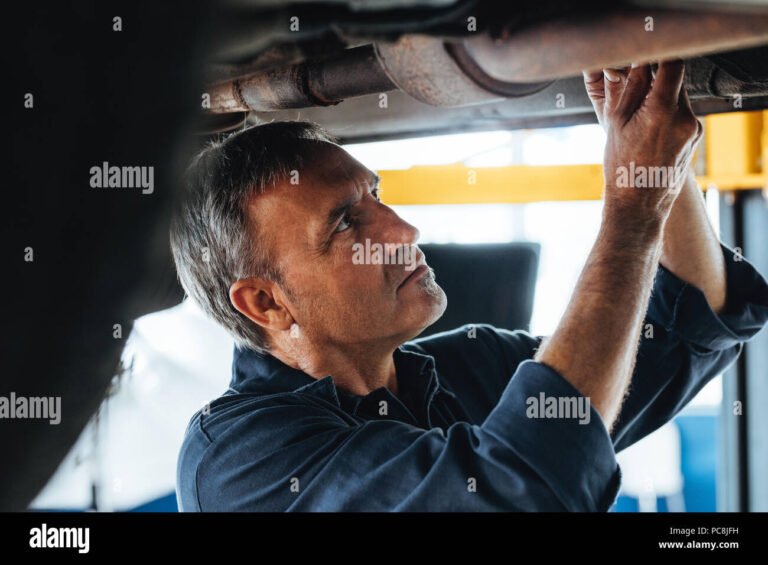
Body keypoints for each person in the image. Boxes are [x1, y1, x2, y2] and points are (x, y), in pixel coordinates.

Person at [171, 61, 768, 511]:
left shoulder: (472, 367)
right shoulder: (240, 461)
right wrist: (634, 209)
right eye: (346, 222)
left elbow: (687, 326)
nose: (403, 229)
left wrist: (650, 143)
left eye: (375, 196)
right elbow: (521, 489)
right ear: (265, 302)